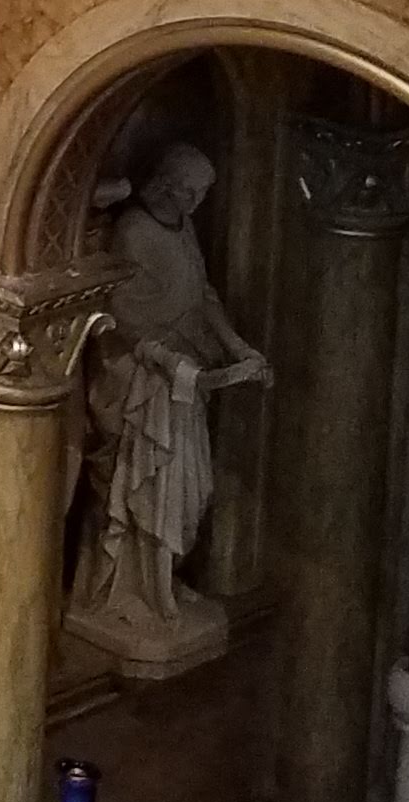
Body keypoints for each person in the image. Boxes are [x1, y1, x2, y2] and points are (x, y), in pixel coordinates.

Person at [73, 143, 270, 633]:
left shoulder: (183, 227)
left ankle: (162, 582)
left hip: (181, 379)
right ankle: (125, 590)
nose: (197, 202)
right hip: (139, 382)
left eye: (202, 193)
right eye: (190, 191)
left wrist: (238, 348)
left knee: (187, 490)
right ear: (166, 184)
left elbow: (201, 296)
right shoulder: (133, 231)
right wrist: (169, 362)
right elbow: (121, 314)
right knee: (136, 488)